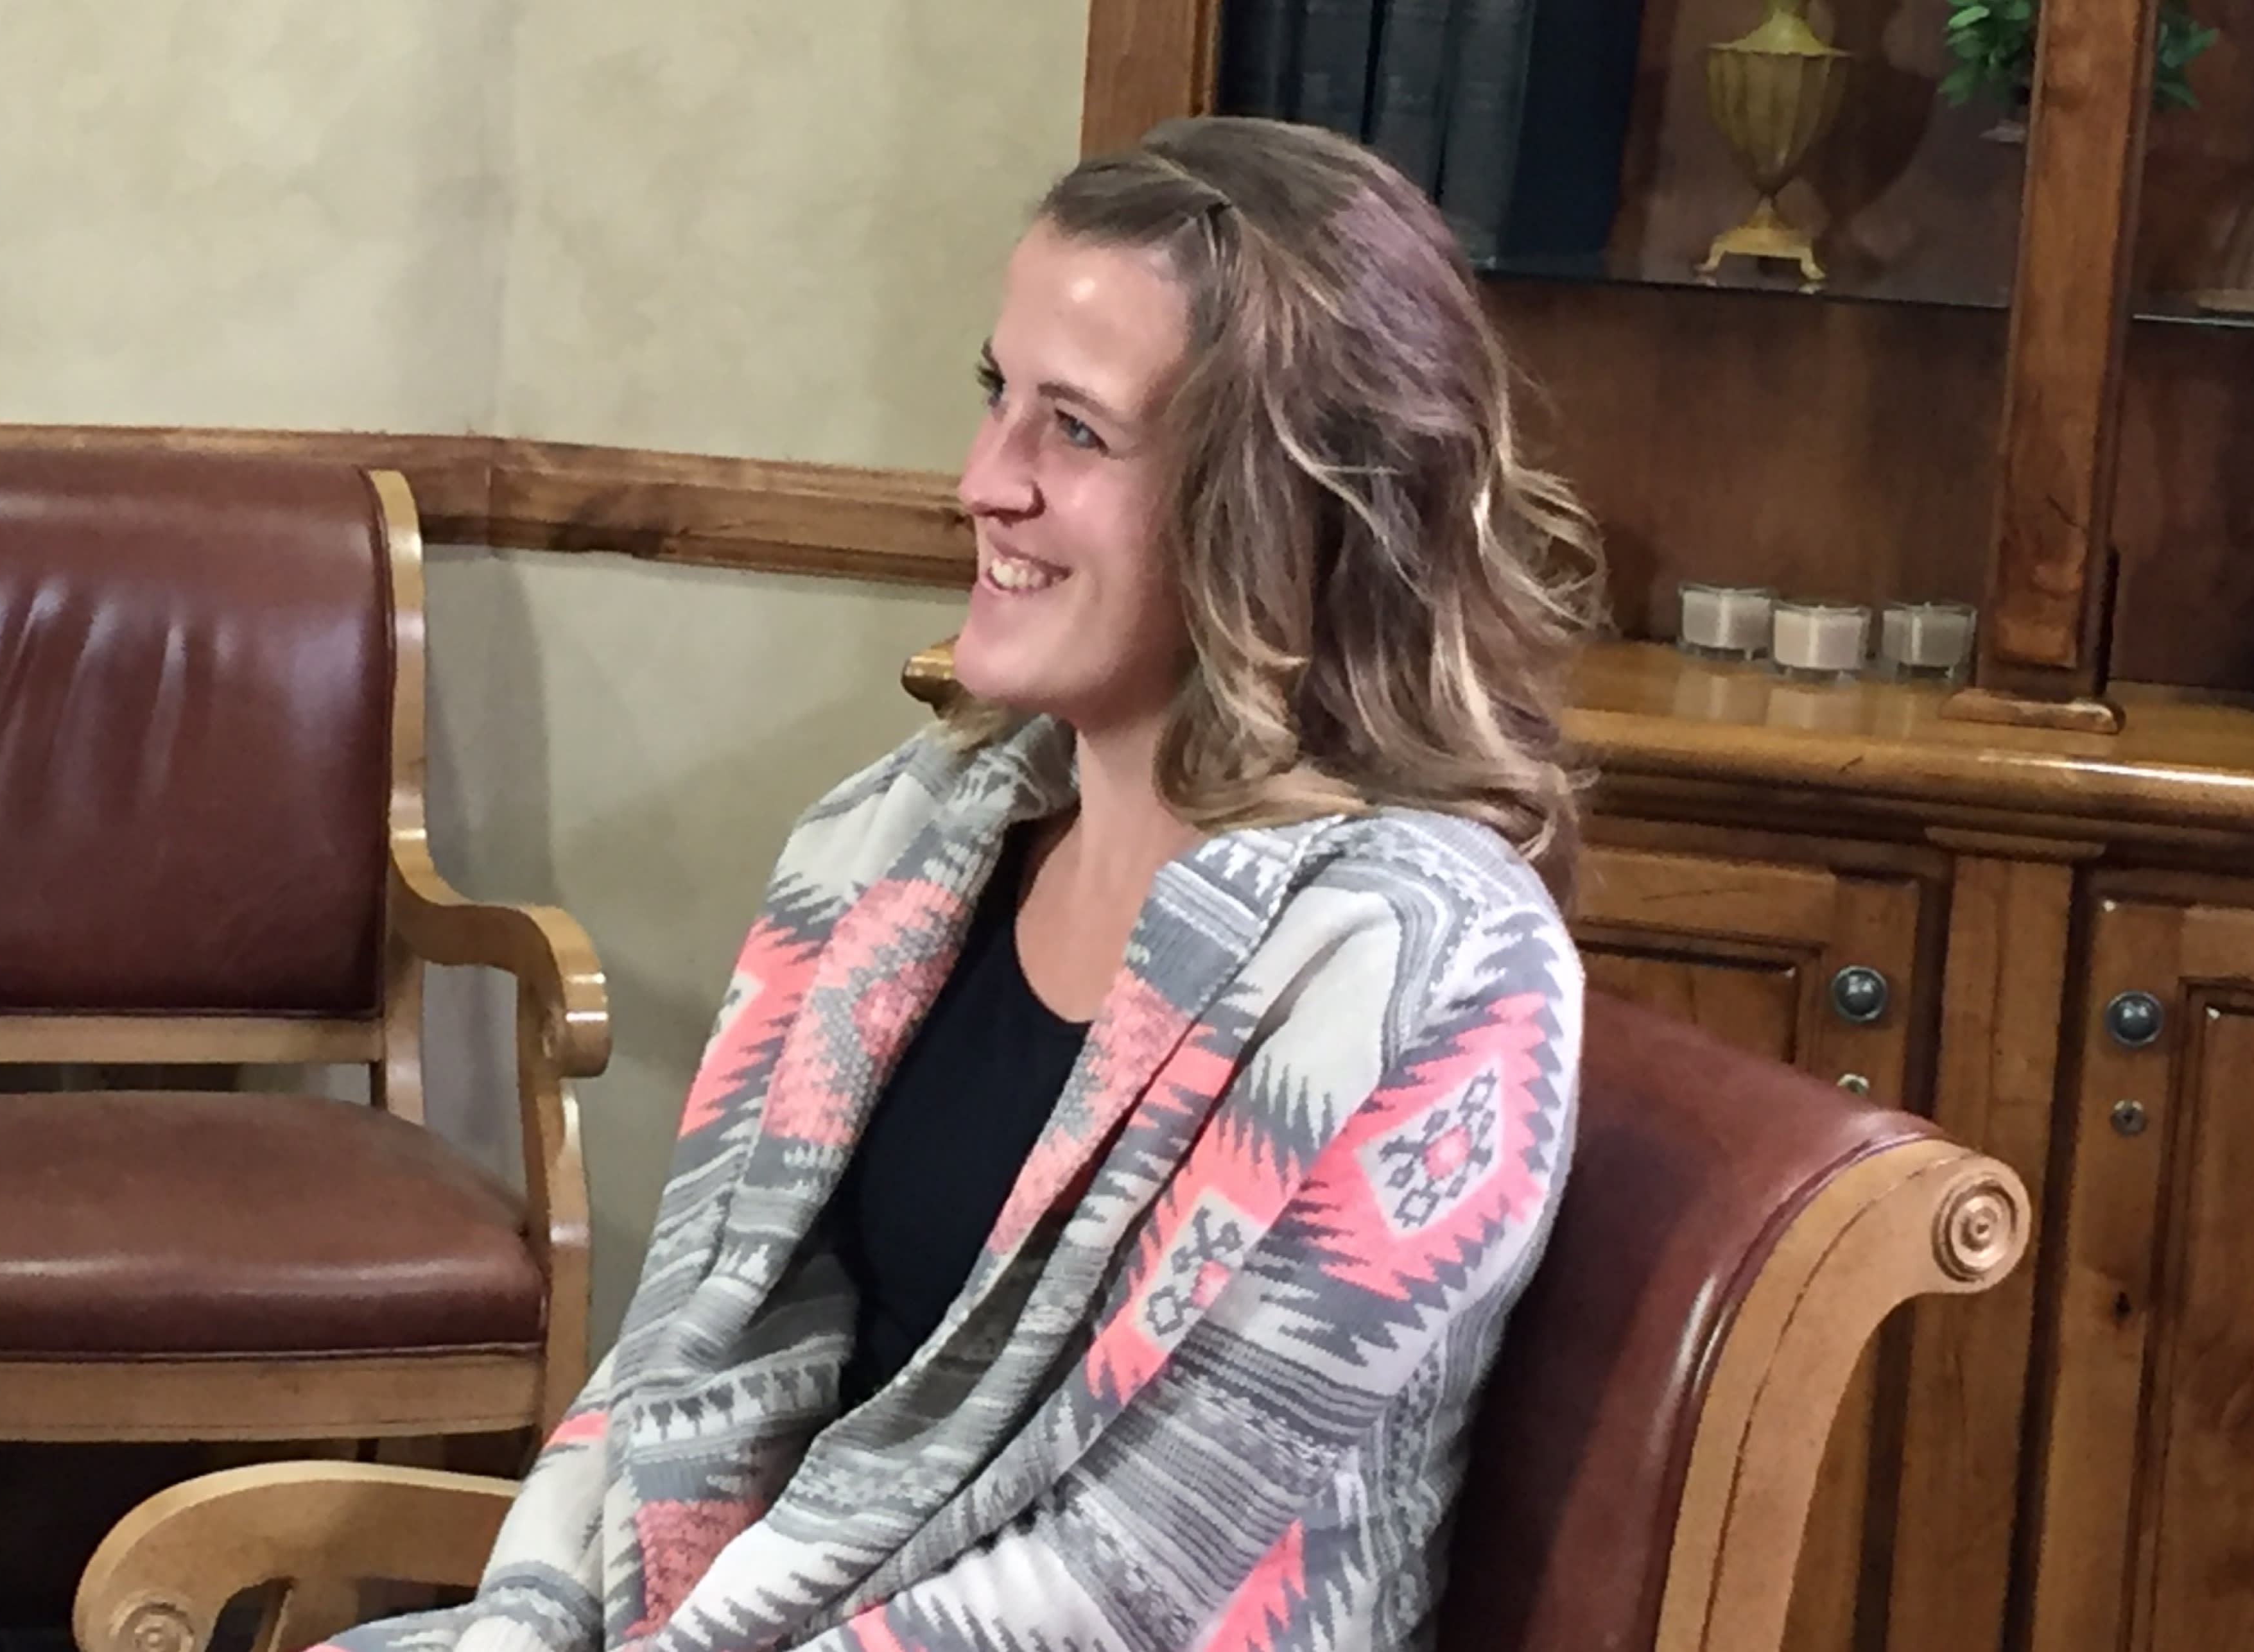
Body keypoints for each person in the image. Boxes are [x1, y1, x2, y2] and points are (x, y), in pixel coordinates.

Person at [331, 115, 1599, 1652]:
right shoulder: (898, 840)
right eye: (996, 395)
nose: (981, 481)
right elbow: (670, 1369)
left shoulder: (1431, 969)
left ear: (1282, 500)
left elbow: (1132, 1585)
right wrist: (526, 1624)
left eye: (1075, 432)